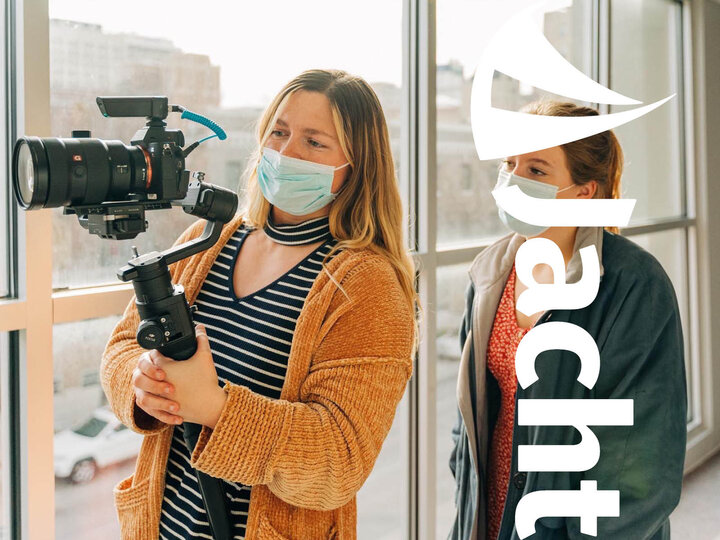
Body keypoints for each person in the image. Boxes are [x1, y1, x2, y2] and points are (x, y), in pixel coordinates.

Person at [100, 68, 420, 540]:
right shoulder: (206, 242)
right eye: (279, 131)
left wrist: (215, 408)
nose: (286, 152)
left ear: (356, 166)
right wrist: (140, 383)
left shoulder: (366, 285)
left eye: (314, 142)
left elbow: (340, 457)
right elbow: (124, 344)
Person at [448, 100, 687, 539]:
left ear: (585, 192)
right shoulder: (489, 274)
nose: (515, 180)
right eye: (510, 164)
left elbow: (641, 473)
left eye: (537, 170)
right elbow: (470, 422)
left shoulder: (635, 285)